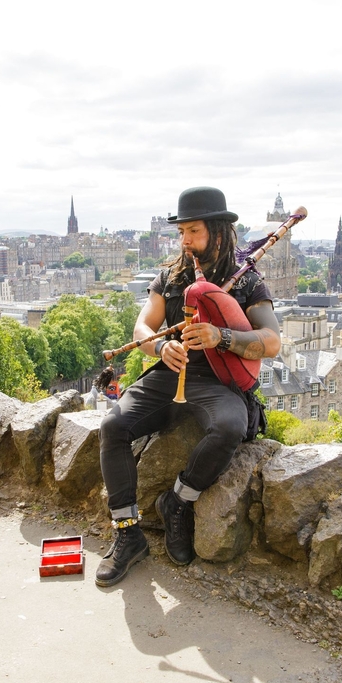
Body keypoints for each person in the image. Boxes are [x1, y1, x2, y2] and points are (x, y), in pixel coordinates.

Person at [95, 186, 282, 587]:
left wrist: (223, 337)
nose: (185, 241)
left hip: (217, 380)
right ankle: (128, 535)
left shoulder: (246, 282)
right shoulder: (172, 275)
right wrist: (161, 347)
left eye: (193, 231)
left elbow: (272, 342)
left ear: (217, 230)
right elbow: (141, 329)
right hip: (170, 375)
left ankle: (178, 501)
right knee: (113, 426)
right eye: (181, 232)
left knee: (230, 426)